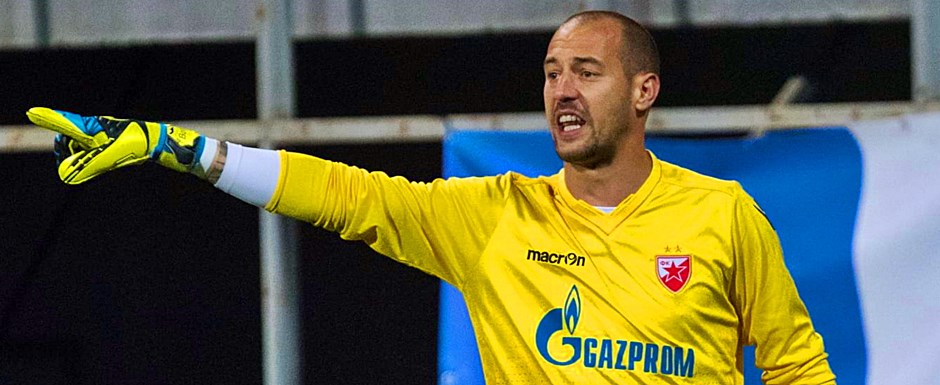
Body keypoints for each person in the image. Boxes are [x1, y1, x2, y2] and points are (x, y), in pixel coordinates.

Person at [27, 10, 835, 384]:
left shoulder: (722, 213)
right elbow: (340, 193)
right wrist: (185, 150)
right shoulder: (491, 216)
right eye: (552, 73)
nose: (562, 90)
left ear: (644, 90)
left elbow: (799, 365)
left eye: (587, 72)